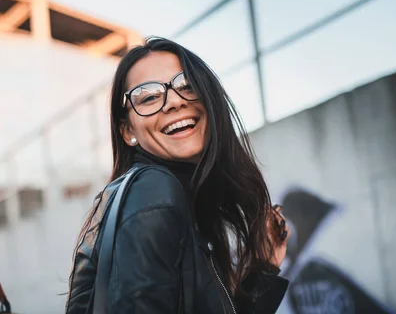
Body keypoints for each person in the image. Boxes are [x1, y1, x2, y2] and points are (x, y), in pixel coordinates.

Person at [66, 37, 290, 313]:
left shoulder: (182, 204)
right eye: (148, 97)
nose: (174, 102)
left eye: (187, 85)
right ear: (128, 131)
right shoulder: (154, 191)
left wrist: (262, 273)